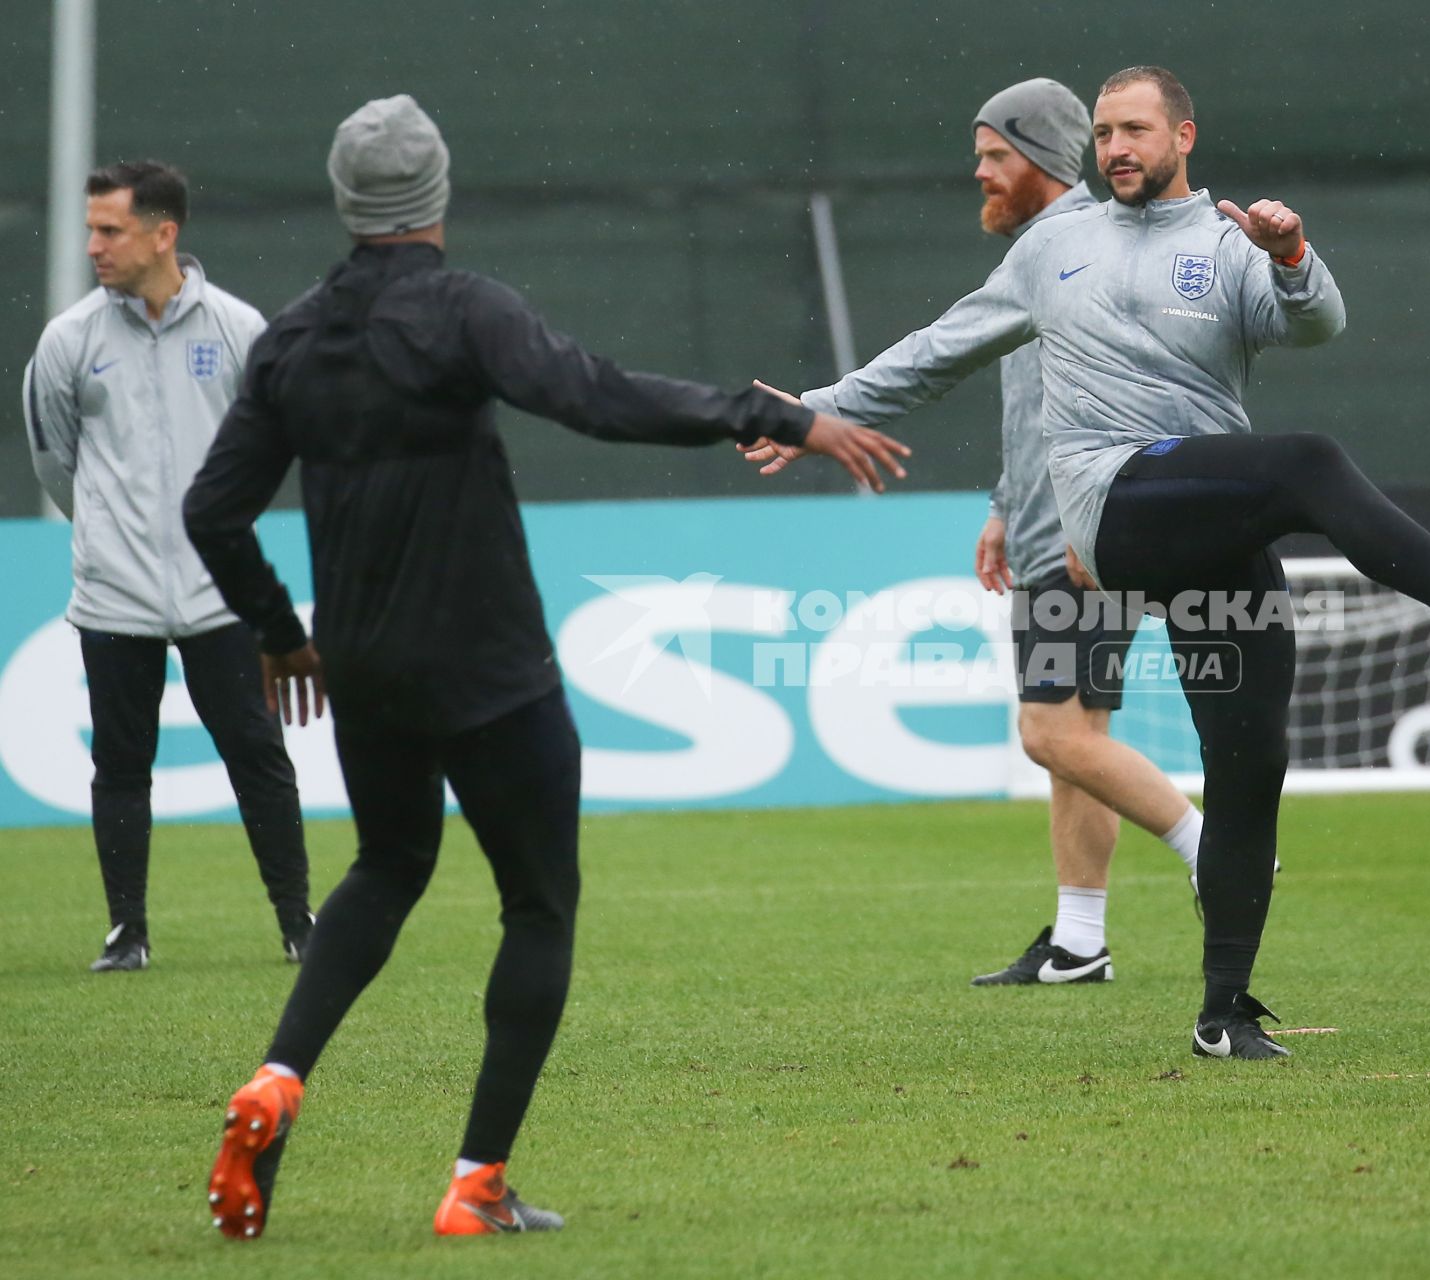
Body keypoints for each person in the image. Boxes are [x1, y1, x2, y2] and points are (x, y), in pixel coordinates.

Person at [744, 67, 1430, 1060]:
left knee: (1250, 766)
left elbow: (1316, 324)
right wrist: (816, 410)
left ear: (1183, 136)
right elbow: (938, 350)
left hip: (1212, 528)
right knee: (1308, 461)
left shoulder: (1227, 244)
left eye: (1135, 130)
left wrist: (1290, 256)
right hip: (1114, 511)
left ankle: (1223, 1014)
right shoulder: (1053, 246)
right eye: (1104, 132)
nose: (1116, 148)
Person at [183, 95, 908, 1240]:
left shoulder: (290, 339)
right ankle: (476, 1183)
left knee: (383, 868)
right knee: (536, 905)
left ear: (341, 198)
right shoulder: (466, 309)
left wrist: (281, 633)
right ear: (436, 195)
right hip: (488, 664)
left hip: (365, 666)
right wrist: (766, 413)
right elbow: (595, 396)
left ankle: (278, 1076)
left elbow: (212, 512)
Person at [753, 79, 1211, 987]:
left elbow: (935, 359)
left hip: (1077, 537)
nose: (980, 173)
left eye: (995, 155)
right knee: (1080, 736)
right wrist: (1009, 502)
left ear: (1040, 160)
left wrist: (811, 412)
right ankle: (1081, 942)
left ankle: (1212, 848)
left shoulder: (1066, 247)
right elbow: (1050, 404)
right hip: (1065, 525)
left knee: (1050, 733)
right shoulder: (1076, 245)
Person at [22, 160, 313, 973]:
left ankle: (299, 923)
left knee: (256, 753)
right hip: (113, 597)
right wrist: (111, 535)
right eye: (91, 229)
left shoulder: (237, 328)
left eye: (110, 229)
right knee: (121, 764)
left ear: (164, 233)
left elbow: (265, 445)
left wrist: (220, 539)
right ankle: (127, 932)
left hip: (218, 593)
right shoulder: (68, 339)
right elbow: (54, 458)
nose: (94, 246)